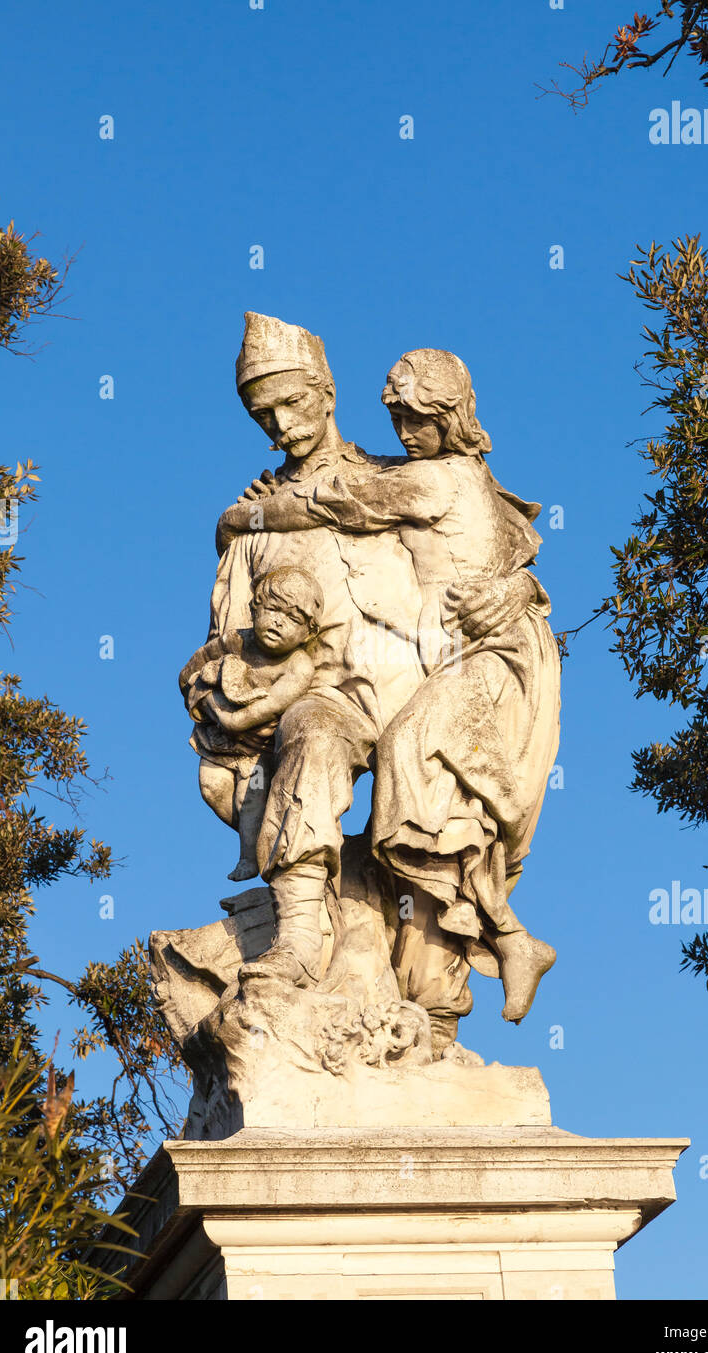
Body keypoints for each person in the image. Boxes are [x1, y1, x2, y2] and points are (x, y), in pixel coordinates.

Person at [199, 315, 537, 1004]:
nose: (281, 424)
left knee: (432, 895)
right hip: (333, 697)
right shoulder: (251, 531)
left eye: (292, 403)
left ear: (326, 392)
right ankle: (296, 942)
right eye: (263, 414)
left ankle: (440, 1016)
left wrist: (517, 588)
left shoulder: (404, 472)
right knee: (315, 738)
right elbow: (222, 650)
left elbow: (504, 543)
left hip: (429, 685)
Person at [180, 565, 323, 886]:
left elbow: (257, 713)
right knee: (212, 788)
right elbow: (188, 675)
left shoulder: (298, 665)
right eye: (272, 610)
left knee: (251, 801)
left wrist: (225, 714)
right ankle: (263, 838)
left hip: (259, 752)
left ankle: (251, 854)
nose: (277, 622)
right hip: (218, 742)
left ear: (309, 633)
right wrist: (206, 694)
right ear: (254, 608)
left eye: (292, 618)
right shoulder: (236, 643)